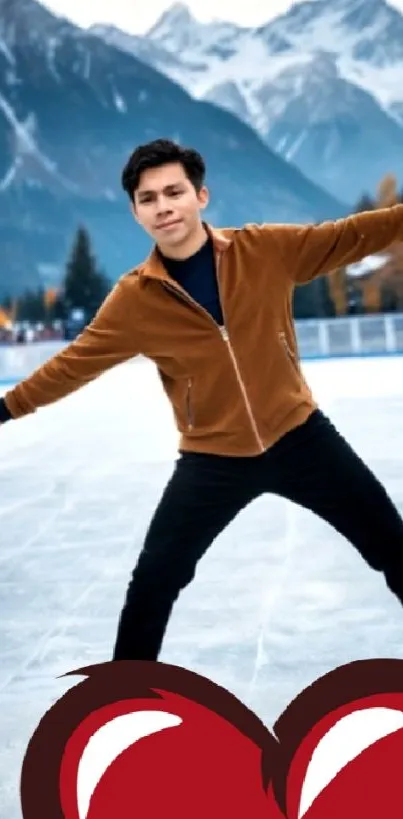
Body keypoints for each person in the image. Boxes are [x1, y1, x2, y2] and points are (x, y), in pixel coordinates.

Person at [1, 138, 403, 663]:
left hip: (301, 436)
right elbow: (71, 365)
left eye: (174, 192)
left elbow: (353, 234)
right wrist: (6, 408)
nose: (164, 206)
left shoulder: (265, 251)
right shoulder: (135, 299)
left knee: (393, 547)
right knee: (154, 580)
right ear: (136, 212)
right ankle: (125, 702)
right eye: (149, 198)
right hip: (214, 457)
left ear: (201, 197)